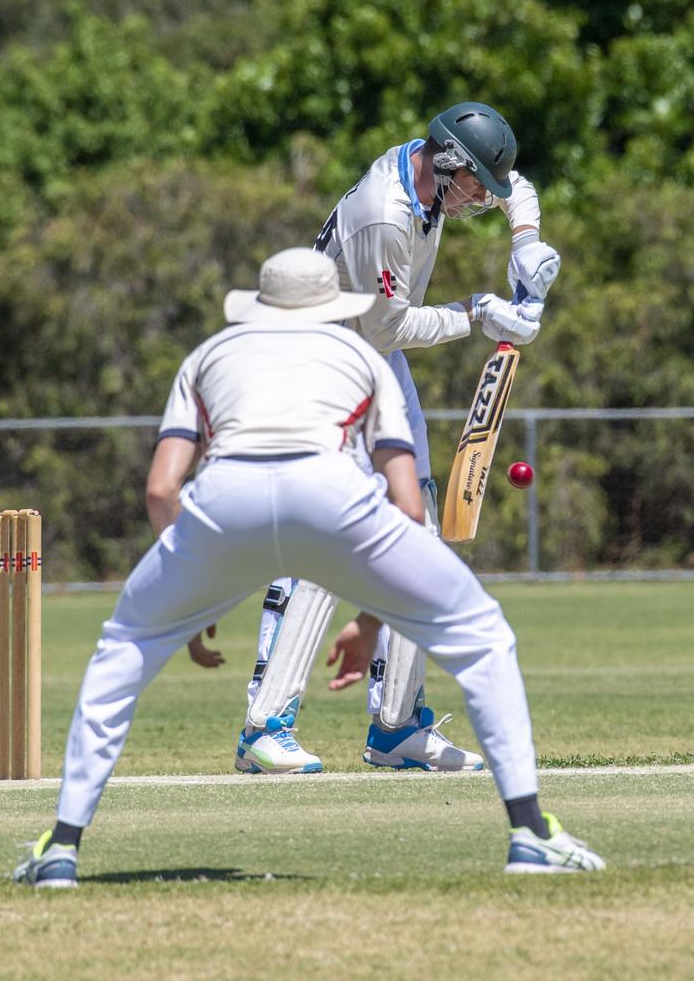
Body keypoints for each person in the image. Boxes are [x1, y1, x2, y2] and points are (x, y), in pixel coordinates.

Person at [14, 248, 604, 887]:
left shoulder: (207, 356)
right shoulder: (362, 359)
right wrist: (372, 622)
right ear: (332, 308)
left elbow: (161, 490)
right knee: (482, 636)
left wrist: (183, 594)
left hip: (225, 500)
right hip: (333, 495)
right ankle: (530, 834)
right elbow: (407, 506)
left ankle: (61, 849)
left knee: (122, 649)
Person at [227, 102, 562, 776]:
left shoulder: (438, 170)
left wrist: (526, 243)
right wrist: (475, 313)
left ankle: (397, 726)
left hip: (373, 362)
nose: (479, 203)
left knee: (420, 537)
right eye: (475, 188)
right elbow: (388, 327)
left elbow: (515, 188)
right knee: (332, 538)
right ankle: (265, 727)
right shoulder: (386, 212)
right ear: (448, 165)